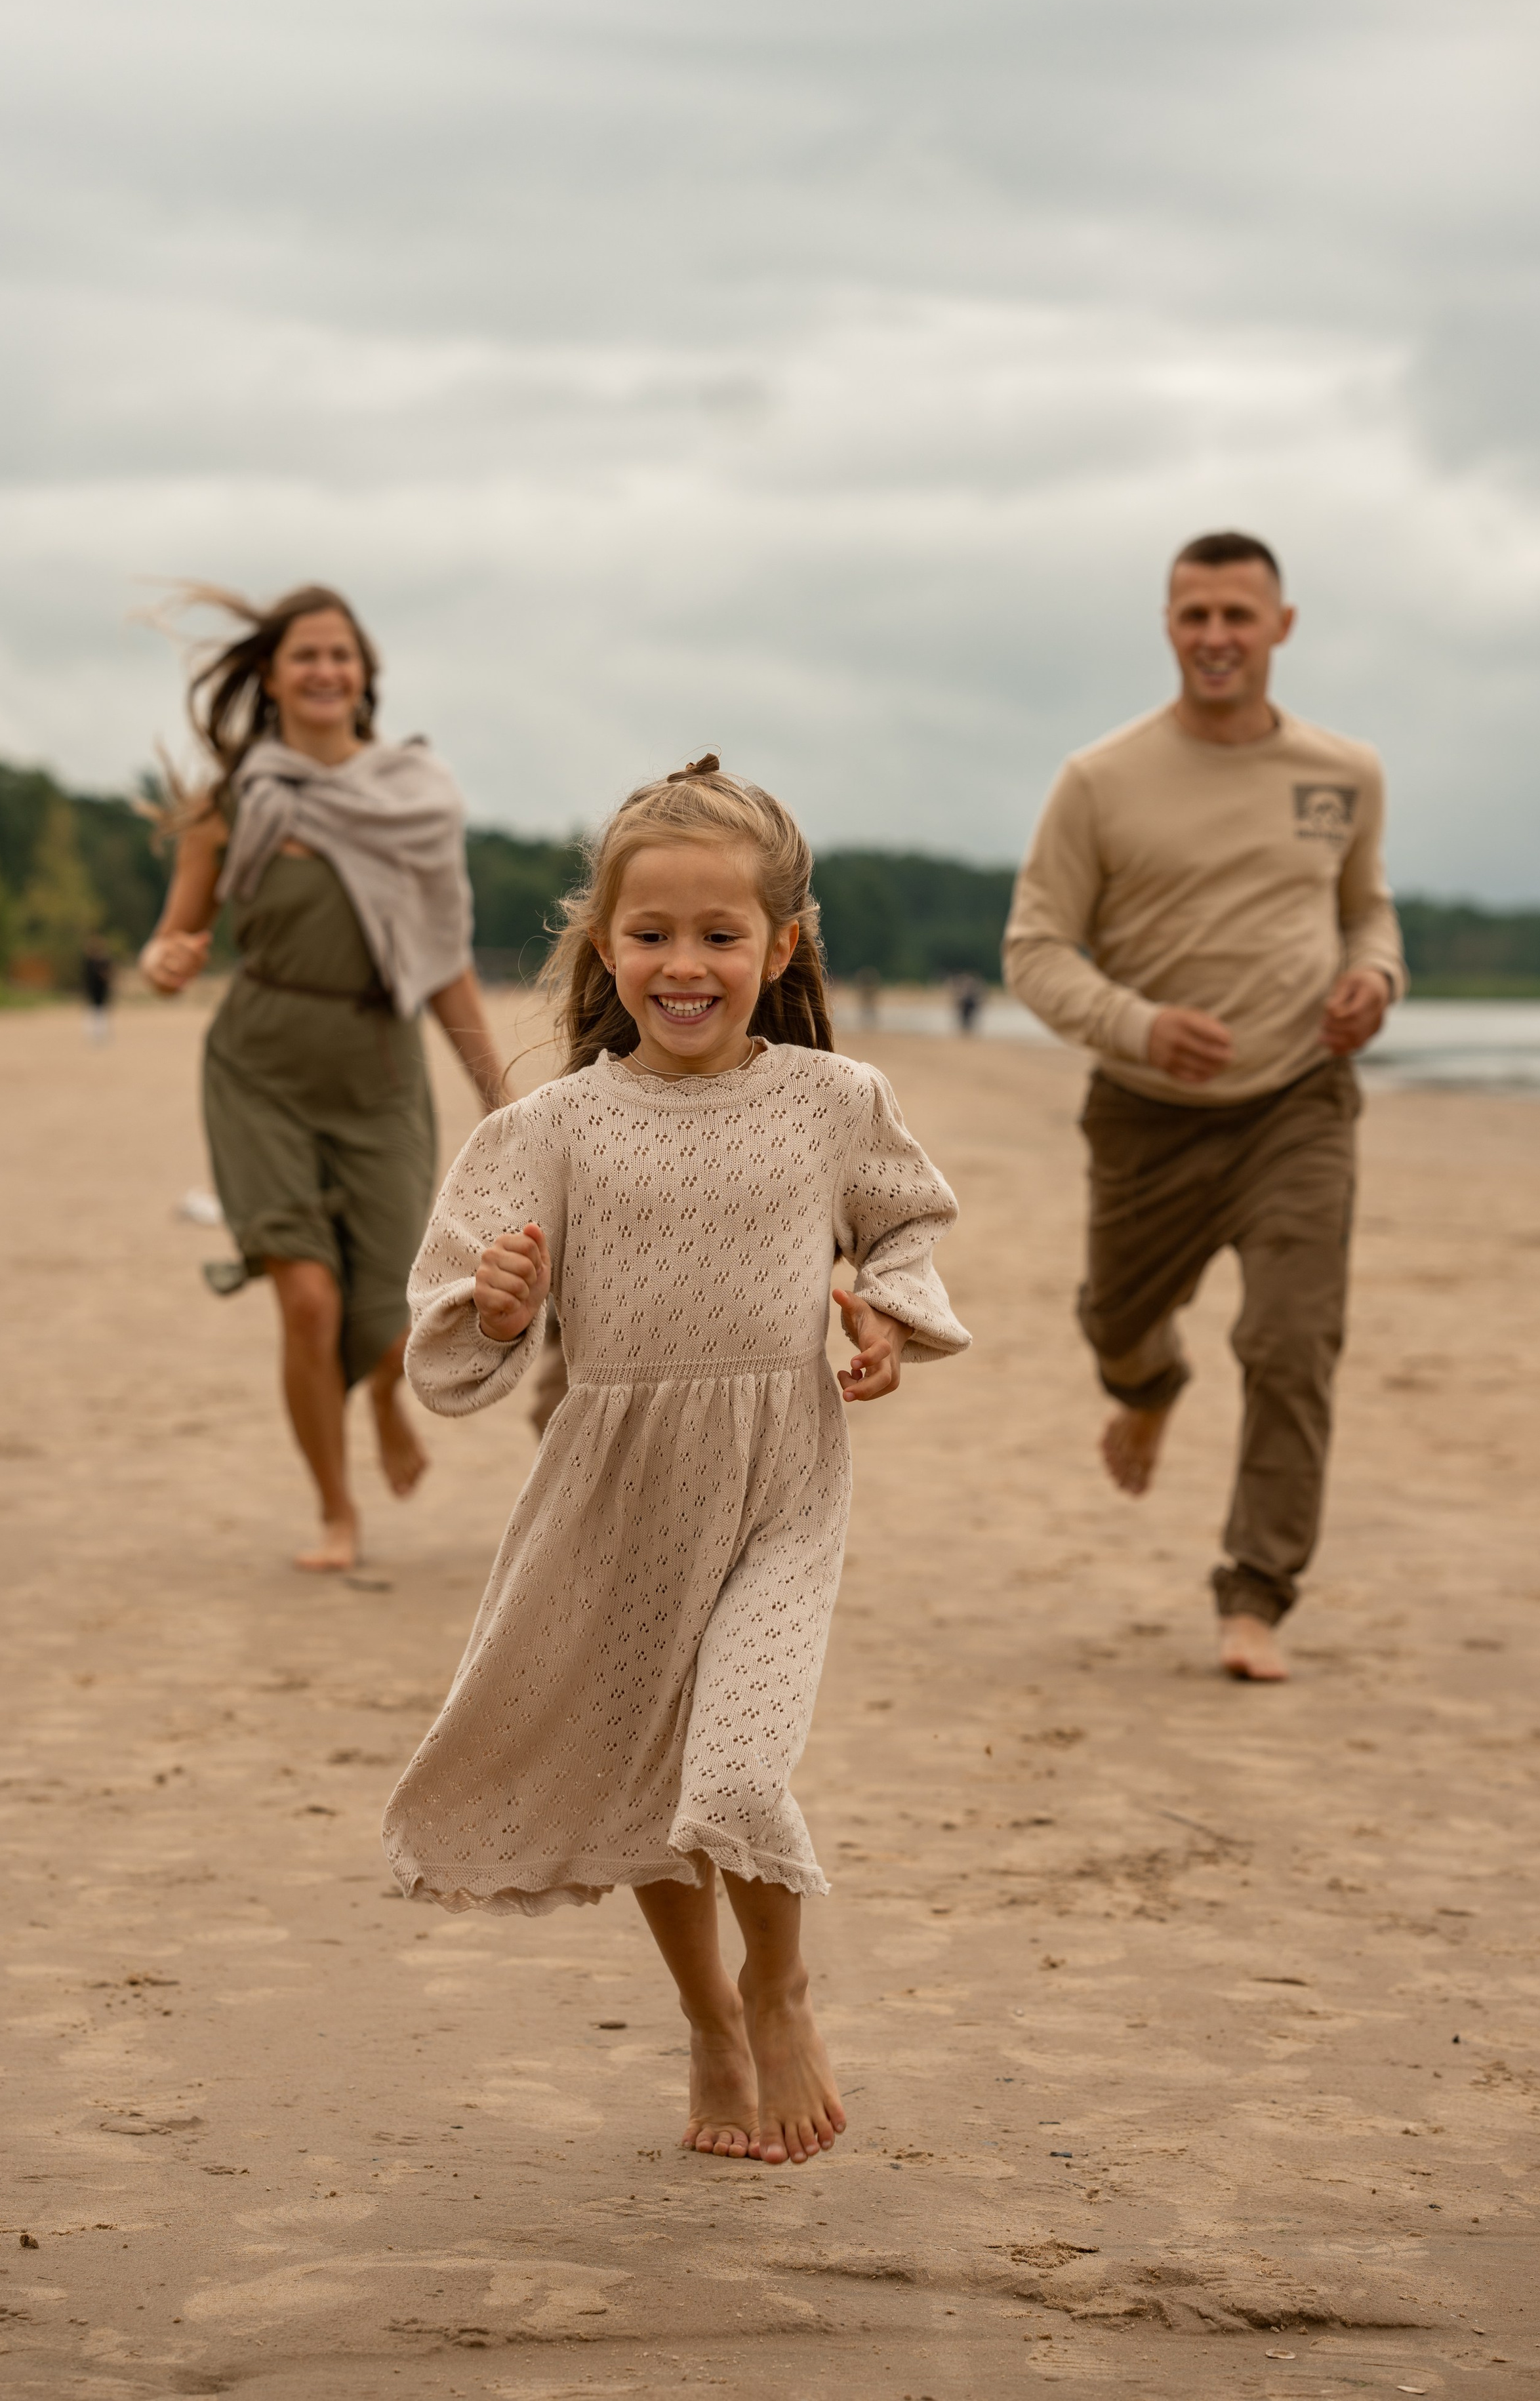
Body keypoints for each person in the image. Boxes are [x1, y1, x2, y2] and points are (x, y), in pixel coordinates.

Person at [384, 756, 969, 2164]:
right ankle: (706, 2015)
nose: (685, 963)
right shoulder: (548, 1131)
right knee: (649, 1787)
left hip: (778, 1477)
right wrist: (503, 1307)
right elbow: (451, 1330)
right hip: (613, 1489)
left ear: (781, 947)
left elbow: (904, 1225)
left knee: (732, 1780)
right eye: (652, 933)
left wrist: (884, 1318)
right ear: (603, 942)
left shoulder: (836, 1098)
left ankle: (778, 1987)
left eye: (721, 936)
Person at [1002, 533, 1404, 1682]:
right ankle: (1148, 1386)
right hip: (1146, 1114)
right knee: (1115, 1324)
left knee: (1290, 1341)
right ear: (1169, 628)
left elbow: (1369, 911)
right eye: (1195, 617)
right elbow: (1034, 950)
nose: (1217, 637)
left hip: (1300, 1102)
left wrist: (1375, 980)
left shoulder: (1347, 775)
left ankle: (1257, 1591)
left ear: (1282, 626)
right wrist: (1140, 1025)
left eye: (1239, 615)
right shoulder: (1099, 781)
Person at [138, 583, 506, 1572]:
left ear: (364, 676)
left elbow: (443, 960)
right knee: (306, 1299)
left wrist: (498, 1094)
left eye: (341, 654)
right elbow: (178, 935)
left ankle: (387, 1397)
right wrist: (164, 962)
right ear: (271, 673)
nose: (324, 670)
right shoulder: (235, 801)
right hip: (258, 1065)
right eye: (305, 654)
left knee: (395, 1329)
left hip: (378, 1073)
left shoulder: (417, 801)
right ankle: (335, 1511)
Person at [80, 934, 114, 1043]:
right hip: (92, 991)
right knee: (92, 1012)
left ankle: (100, 1034)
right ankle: (93, 1034)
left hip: (101, 991)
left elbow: (108, 975)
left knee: (101, 1013)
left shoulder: (104, 961)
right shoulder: (89, 963)